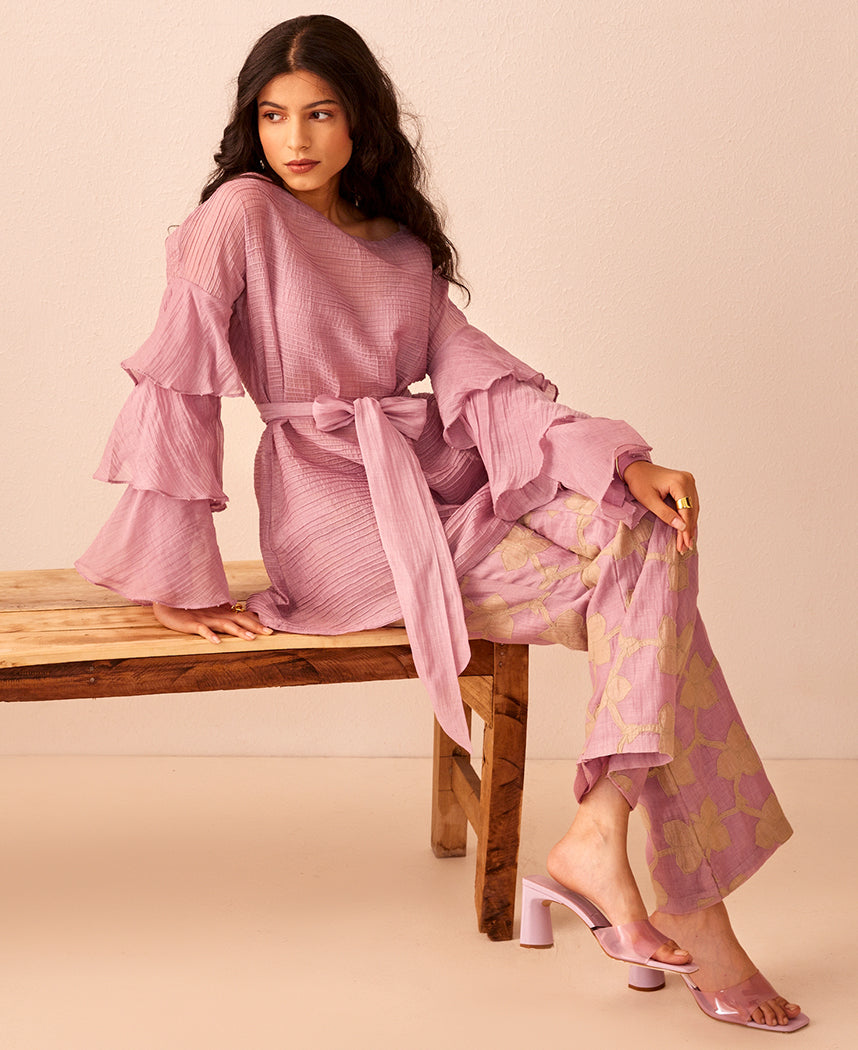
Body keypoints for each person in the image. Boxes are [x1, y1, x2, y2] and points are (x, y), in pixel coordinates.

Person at [76, 14, 806, 1033]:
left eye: (320, 113)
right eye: (274, 115)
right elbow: (177, 384)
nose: (295, 138)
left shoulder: (402, 247)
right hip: (337, 516)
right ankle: (688, 911)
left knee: (648, 533)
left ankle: (600, 831)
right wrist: (176, 574)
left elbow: (486, 387)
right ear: (251, 124)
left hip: (433, 480)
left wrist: (625, 464)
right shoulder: (239, 214)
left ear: (359, 121)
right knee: (657, 611)